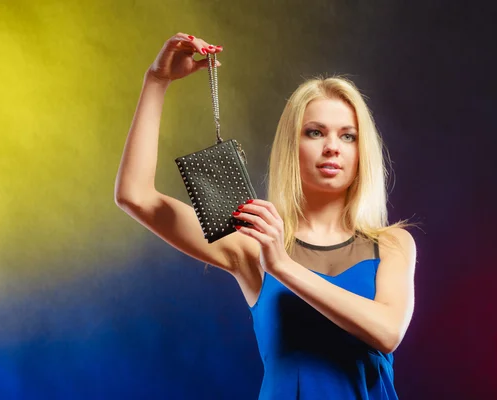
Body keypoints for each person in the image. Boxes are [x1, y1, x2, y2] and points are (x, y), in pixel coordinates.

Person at [115, 33, 416, 400]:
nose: (332, 147)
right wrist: (157, 80)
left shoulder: (391, 244)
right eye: (315, 132)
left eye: (348, 136)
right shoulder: (253, 241)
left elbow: (387, 332)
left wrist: (283, 266)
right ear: (293, 145)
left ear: (361, 150)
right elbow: (136, 196)